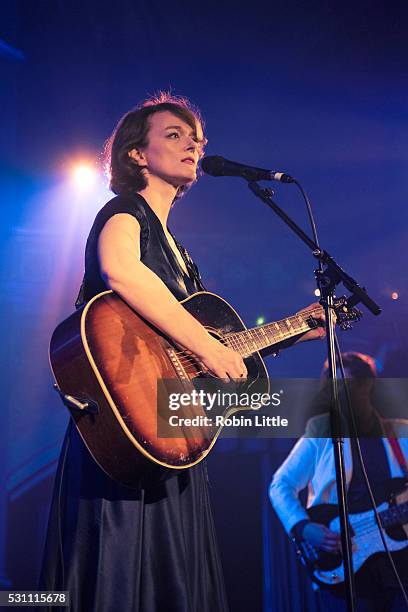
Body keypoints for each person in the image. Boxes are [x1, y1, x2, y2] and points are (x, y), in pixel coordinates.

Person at [40, 92, 326, 612]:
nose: (193, 143)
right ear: (136, 154)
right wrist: (206, 347)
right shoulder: (124, 212)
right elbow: (120, 271)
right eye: (174, 134)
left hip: (170, 433)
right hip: (122, 427)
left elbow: (210, 351)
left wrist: (298, 329)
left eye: (197, 137)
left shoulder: (180, 252)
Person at [269, 352, 408, 612]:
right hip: (345, 563)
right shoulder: (321, 431)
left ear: (366, 386)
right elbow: (280, 485)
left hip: (401, 563)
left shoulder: (401, 433)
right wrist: (303, 527)